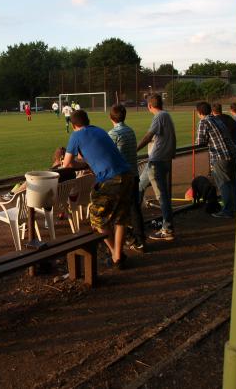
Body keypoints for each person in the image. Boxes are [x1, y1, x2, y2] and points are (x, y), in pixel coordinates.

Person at [63, 110, 133, 269]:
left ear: (74, 125)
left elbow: (66, 164)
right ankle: (118, 257)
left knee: (96, 216)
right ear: (88, 120)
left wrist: (73, 162)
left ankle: (115, 252)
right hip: (127, 175)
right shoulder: (99, 130)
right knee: (121, 217)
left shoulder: (76, 135)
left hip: (110, 179)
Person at [136, 93, 176, 241]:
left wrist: (134, 149)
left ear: (149, 106)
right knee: (139, 187)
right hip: (161, 160)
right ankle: (134, 220)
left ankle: (167, 229)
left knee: (162, 196)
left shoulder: (159, 116)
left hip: (157, 161)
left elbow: (148, 136)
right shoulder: (166, 115)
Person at [108, 104, 145, 252]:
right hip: (134, 174)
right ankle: (139, 239)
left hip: (121, 177)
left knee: (119, 210)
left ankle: (121, 242)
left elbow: (109, 155)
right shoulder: (130, 130)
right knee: (134, 207)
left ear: (111, 117)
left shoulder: (113, 133)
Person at [195, 102, 236, 218]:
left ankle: (228, 211)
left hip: (220, 157)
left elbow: (200, 142)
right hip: (233, 155)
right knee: (233, 183)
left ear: (199, 112)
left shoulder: (204, 121)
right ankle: (235, 208)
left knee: (224, 184)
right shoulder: (217, 119)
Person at [1, 146, 77, 201]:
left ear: (56, 158)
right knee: (25, 183)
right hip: (63, 200)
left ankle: (13, 194)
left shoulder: (52, 173)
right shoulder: (72, 172)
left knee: (29, 181)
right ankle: (12, 193)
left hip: (47, 201)